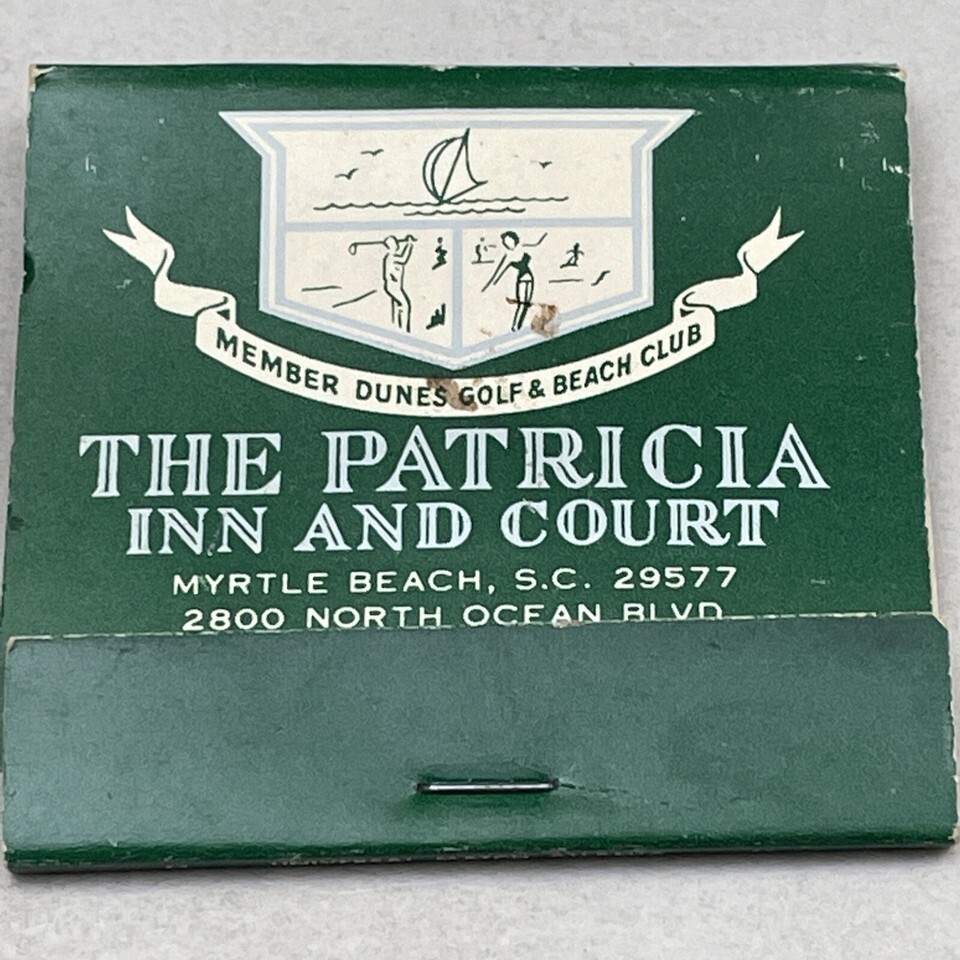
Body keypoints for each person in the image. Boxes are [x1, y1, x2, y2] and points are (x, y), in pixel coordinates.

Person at [484, 231, 534, 332]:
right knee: (522, 304)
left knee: (526, 304)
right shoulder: (509, 255)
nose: (507, 244)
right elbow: (502, 268)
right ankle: (516, 326)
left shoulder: (522, 249)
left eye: (508, 241)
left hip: (529, 278)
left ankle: (519, 325)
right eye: (505, 242)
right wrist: (495, 281)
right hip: (521, 280)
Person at [382, 235, 414, 331]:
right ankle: (404, 329)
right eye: (394, 244)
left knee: (398, 307)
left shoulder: (392, 257)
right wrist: (409, 245)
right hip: (393, 287)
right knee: (405, 305)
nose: (396, 245)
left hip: (395, 287)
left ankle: (399, 328)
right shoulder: (391, 258)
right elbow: (403, 259)